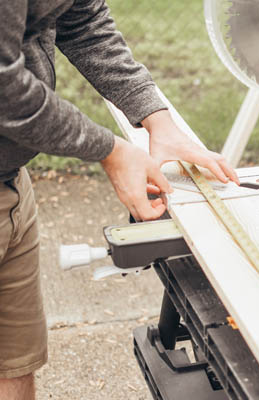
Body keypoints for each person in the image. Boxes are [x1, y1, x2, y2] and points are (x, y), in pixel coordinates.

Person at [0, 1, 239, 398]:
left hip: (12, 184)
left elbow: (82, 18)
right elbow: (4, 87)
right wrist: (109, 151)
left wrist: (157, 118)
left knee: (13, 364)